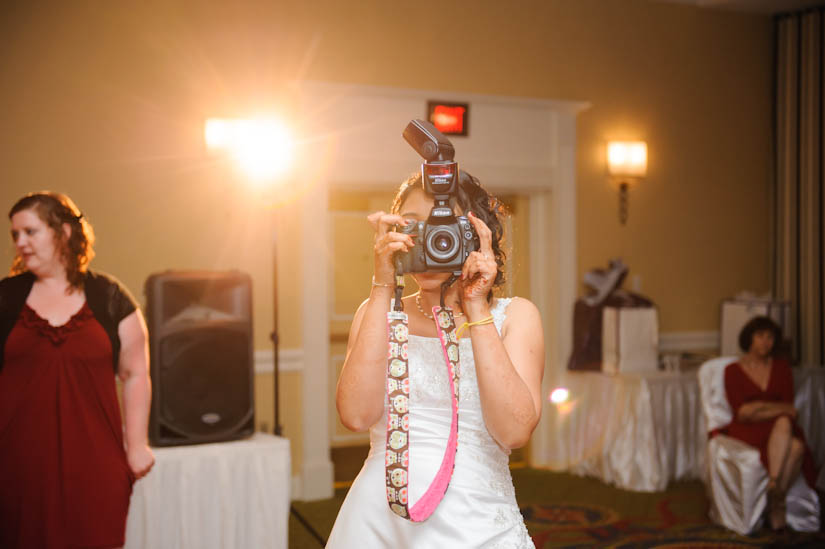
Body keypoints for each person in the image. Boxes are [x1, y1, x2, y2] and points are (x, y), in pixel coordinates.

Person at [327, 171, 544, 548]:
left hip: (477, 522)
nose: (425, 241)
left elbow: (514, 432)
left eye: (442, 227)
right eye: (413, 226)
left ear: (477, 235)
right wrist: (382, 286)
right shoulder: (374, 310)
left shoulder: (516, 316)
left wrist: (476, 305)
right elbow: (355, 416)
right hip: (377, 520)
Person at [0, 192, 154, 548]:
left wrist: (136, 446)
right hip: (17, 470)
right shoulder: (5, 300)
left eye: (30, 232)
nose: (20, 243)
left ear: (64, 232)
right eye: (14, 235)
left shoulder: (110, 298)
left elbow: (135, 374)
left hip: (95, 468)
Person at [720, 316, 818, 531]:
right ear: (749, 339)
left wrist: (760, 407)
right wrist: (775, 407)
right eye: (760, 336)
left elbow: (790, 408)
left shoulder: (781, 368)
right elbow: (743, 413)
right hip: (747, 429)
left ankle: (774, 491)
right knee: (788, 431)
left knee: (793, 438)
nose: (766, 342)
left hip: (778, 430)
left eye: (771, 337)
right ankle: (777, 502)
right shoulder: (733, 370)